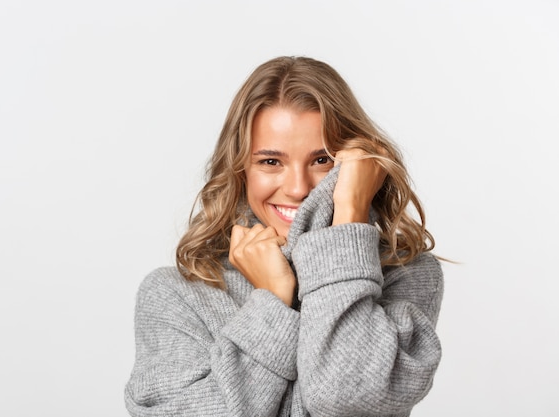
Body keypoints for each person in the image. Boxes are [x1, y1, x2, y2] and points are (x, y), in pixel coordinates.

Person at [124, 56, 444, 417]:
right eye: (271, 162)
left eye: (321, 160)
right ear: (240, 168)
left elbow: (349, 398)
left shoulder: (407, 274)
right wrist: (273, 302)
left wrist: (350, 216)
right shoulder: (175, 295)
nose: (297, 189)